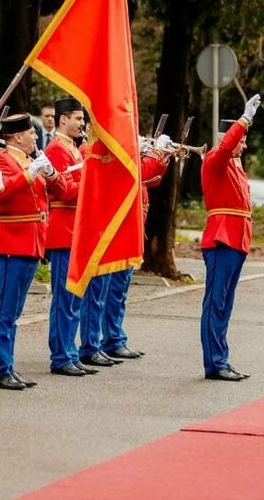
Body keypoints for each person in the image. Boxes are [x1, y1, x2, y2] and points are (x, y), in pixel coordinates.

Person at [0, 113, 68, 389]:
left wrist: (51, 173)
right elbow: (1, 194)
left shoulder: (28, 159)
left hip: (32, 240)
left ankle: (7, 365)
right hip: (12, 240)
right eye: (31, 133)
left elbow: (60, 189)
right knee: (6, 308)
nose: (36, 137)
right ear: (17, 136)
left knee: (16, 310)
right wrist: (29, 174)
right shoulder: (3, 160)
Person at [200, 94, 261, 381]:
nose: (245, 144)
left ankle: (221, 358)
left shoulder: (235, 164)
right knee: (216, 303)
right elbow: (225, 147)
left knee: (225, 305)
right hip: (221, 238)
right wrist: (245, 118)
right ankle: (215, 362)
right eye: (242, 138)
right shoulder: (217, 158)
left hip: (236, 239)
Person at [100, 135, 172, 360]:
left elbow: (152, 178)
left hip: (133, 229)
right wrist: (154, 153)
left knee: (120, 289)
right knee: (112, 289)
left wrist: (162, 156)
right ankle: (108, 338)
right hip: (121, 229)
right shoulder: (121, 156)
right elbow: (138, 172)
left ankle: (115, 336)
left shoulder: (132, 156)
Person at [43, 98, 89, 376]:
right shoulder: (57, 149)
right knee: (64, 297)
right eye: (77, 119)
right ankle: (61, 355)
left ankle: (70, 351)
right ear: (62, 120)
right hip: (63, 228)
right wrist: (90, 184)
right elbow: (61, 190)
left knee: (74, 297)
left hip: (76, 228)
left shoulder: (72, 147)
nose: (82, 124)